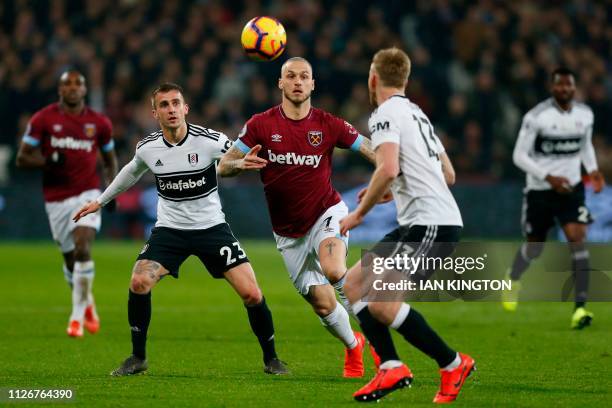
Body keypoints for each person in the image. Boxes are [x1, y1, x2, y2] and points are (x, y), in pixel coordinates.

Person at [74, 83, 288, 376]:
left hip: (212, 228)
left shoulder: (209, 140)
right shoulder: (148, 147)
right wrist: (100, 200)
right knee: (139, 282)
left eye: (176, 103)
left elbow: (233, 158)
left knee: (251, 293)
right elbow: (130, 172)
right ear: (154, 113)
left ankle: (272, 359)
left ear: (185, 108)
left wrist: (241, 163)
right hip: (170, 231)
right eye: (164, 105)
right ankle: (137, 357)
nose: (171, 109)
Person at [218, 57, 379, 378]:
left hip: (326, 214)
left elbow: (368, 147)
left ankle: (380, 341)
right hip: (288, 233)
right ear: (280, 83)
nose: (297, 81)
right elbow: (223, 166)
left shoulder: (328, 124)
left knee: (334, 271)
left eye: (304, 76)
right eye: (290, 76)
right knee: (321, 303)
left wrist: (391, 173)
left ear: (312, 84)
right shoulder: (261, 124)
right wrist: (240, 165)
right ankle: (353, 345)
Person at [340, 47, 475, 403]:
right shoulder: (417, 114)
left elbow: (387, 168)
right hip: (419, 223)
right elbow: (448, 173)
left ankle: (452, 363)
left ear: (373, 78)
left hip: (432, 225)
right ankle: (390, 366)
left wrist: (360, 214)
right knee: (353, 283)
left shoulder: (384, 114)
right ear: (405, 79)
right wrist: (394, 189)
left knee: (383, 304)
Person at [16, 70, 118, 338]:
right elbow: (22, 159)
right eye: (67, 84)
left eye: (78, 84)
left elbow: (109, 159)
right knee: (71, 259)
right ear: (60, 90)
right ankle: (88, 303)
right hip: (56, 199)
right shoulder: (43, 119)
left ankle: (75, 318)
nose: (73, 88)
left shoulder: (99, 123)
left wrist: (111, 191)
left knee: (83, 246)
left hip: (87, 192)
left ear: (84, 90)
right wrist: (49, 160)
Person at [503, 67, 605, 329]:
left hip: (571, 190)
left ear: (574, 87)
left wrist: (592, 170)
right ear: (552, 88)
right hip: (540, 191)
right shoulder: (536, 117)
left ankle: (580, 309)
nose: (564, 89)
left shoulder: (585, 114)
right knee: (535, 246)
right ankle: (513, 278)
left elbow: (585, 145)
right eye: (559, 85)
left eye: (568, 85)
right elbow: (519, 156)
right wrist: (548, 177)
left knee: (577, 240)